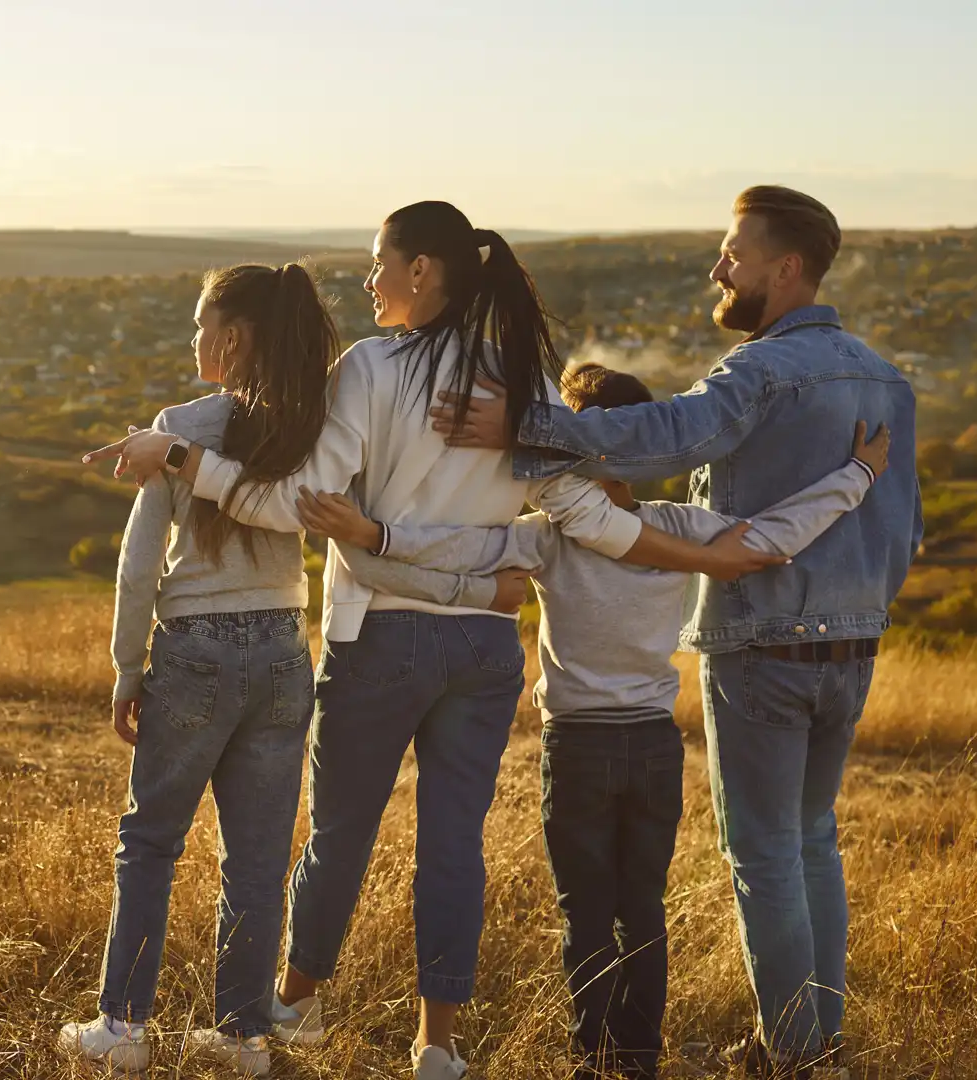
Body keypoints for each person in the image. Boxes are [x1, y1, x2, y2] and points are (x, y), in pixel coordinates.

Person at [85, 201, 786, 1079]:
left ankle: (293, 1008)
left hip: (379, 637)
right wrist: (702, 555)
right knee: (454, 847)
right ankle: (437, 1045)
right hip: (485, 648)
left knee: (339, 837)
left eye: (380, 262)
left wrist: (185, 459)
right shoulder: (516, 375)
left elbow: (302, 504)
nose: (369, 279)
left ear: (422, 271)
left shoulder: (370, 368)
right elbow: (584, 513)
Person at [431, 187, 923, 1079]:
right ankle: (819, 1043)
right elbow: (904, 525)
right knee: (812, 839)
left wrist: (526, 425)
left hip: (763, 642)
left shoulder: (762, 371)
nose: (718, 269)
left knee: (766, 851)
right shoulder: (887, 379)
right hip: (854, 648)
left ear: (787, 268)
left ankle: (796, 1054)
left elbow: (664, 437)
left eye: (734, 253)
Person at [294, 362, 892, 1080]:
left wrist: (374, 533)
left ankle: (594, 1059)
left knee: (585, 914)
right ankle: (637, 1060)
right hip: (654, 747)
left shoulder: (549, 535)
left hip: (577, 747)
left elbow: (459, 545)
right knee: (643, 910)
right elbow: (778, 534)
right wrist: (857, 475)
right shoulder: (680, 527)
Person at [62, 262, 476, 1078]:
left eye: (200, 325)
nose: (193, 338)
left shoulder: (182, 427)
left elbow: (139, 565)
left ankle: (124, 1026)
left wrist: (126, 667)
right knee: (254, 861)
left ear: (232, 337)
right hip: (286, 648)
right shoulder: (309, 429)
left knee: (150, 843)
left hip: (196, 646)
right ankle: (245, 1036)